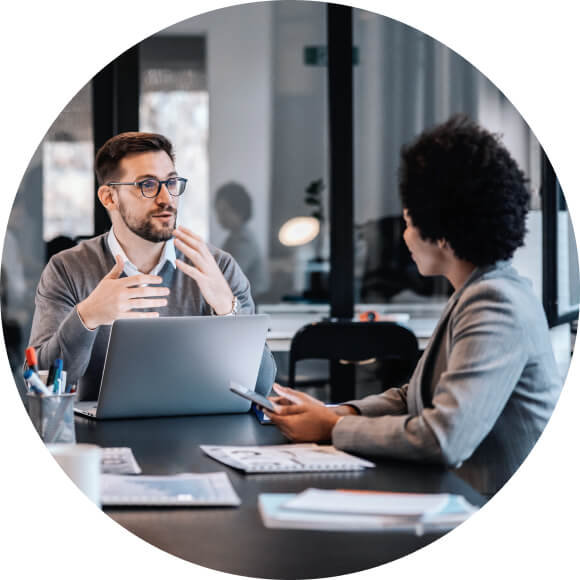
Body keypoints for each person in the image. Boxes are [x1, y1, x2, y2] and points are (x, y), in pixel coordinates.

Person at [265, 115, 562, 495]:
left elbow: (443, 436)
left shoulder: (495, 303)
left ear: (440, 229)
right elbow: (415, 395)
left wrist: (332, 428)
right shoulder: (474, 291)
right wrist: (338, 411)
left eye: (408, 220)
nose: (404, 235)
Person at [28, 132, 275, 401]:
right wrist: (87, 317)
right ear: (109, 197)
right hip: (99, 438)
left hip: (198, 433)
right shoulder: (67, 269)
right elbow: (43, 384)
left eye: (171, 182)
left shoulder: (218, 268)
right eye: (147, 184)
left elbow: (260, 388)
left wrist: (227, 309)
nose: (166, 198)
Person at [215, 182, 269, 297]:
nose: (220, 216)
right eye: (218, 211)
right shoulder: (233, 237)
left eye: (225, 211)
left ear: (239, 211)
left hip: (251, 304)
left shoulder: (244, 241)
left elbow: (228, 278)